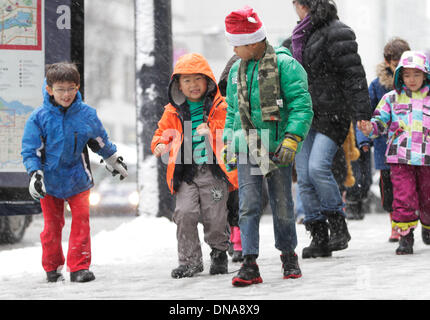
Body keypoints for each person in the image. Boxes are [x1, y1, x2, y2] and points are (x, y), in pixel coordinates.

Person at [223, 6, 313, 286]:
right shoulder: (236, 69)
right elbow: (232, 113)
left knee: (282, 204)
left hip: (277, 149)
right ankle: (249, 263)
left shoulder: (286, 66)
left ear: (252, 42)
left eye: (237, 46)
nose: (234, 51)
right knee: (248, 205)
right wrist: (228, 143)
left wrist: (292, 138)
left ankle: (288, 255)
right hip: (247, 146)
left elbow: (301, 105)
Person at [21, 62, 128, 283]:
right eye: (60, 89)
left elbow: (100, 140)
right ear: (50, 89)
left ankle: (79, 267)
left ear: (77, 87)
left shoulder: (86, 114)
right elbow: (30, 150)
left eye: (71, 88)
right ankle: (52, 267)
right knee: (52, 226)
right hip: (49, 182)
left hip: (78, 179)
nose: (66, 94)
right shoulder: (38, 118)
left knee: (81, 221)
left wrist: (112, 158)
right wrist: (35, 174)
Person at [283, 0, 371, 259]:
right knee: (305, 177)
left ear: (303, 5)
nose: (295, 9)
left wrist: (362, 114)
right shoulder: (295, 38)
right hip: (303, 115)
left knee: (317, 167)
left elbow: (354, 75)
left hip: (333, 112)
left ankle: (338, 225)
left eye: (296, 4)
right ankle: (318, 235)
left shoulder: (338, 32)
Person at [151, 53, 238, 278]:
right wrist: (160, 144)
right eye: (187, 80)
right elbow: (161, 133)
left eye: (198, 79)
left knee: (216, 215)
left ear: (208, 80)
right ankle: (189, 261)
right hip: (186, 173)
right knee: (184, 213)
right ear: (178, 85)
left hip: (214, 172)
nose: (193, 85)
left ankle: (219, 251)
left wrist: (213, 132)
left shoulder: (220, 105)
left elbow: (231, 130)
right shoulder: (173, 110)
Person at [358, 50, 430, 255]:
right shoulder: (391, 98)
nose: (412, 80)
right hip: (400, 158)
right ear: (400, 76)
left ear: (425, 74)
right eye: (406, 75)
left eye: (416, 74)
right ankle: (406, 236)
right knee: (403, 197)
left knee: (428, 197)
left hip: (427, 158)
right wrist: (368, 128)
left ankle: (427, 225)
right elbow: (379, 123)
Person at [364, 37, 411, 241]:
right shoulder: (377, 86)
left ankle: (410, 223)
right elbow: (367, 114)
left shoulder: (416, 83)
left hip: (411, 147)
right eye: (395, 63)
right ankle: (395, 224)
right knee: (389, 191)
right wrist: (364, 139)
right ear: (387, 61)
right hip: (386, 147)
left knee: (410, 187)